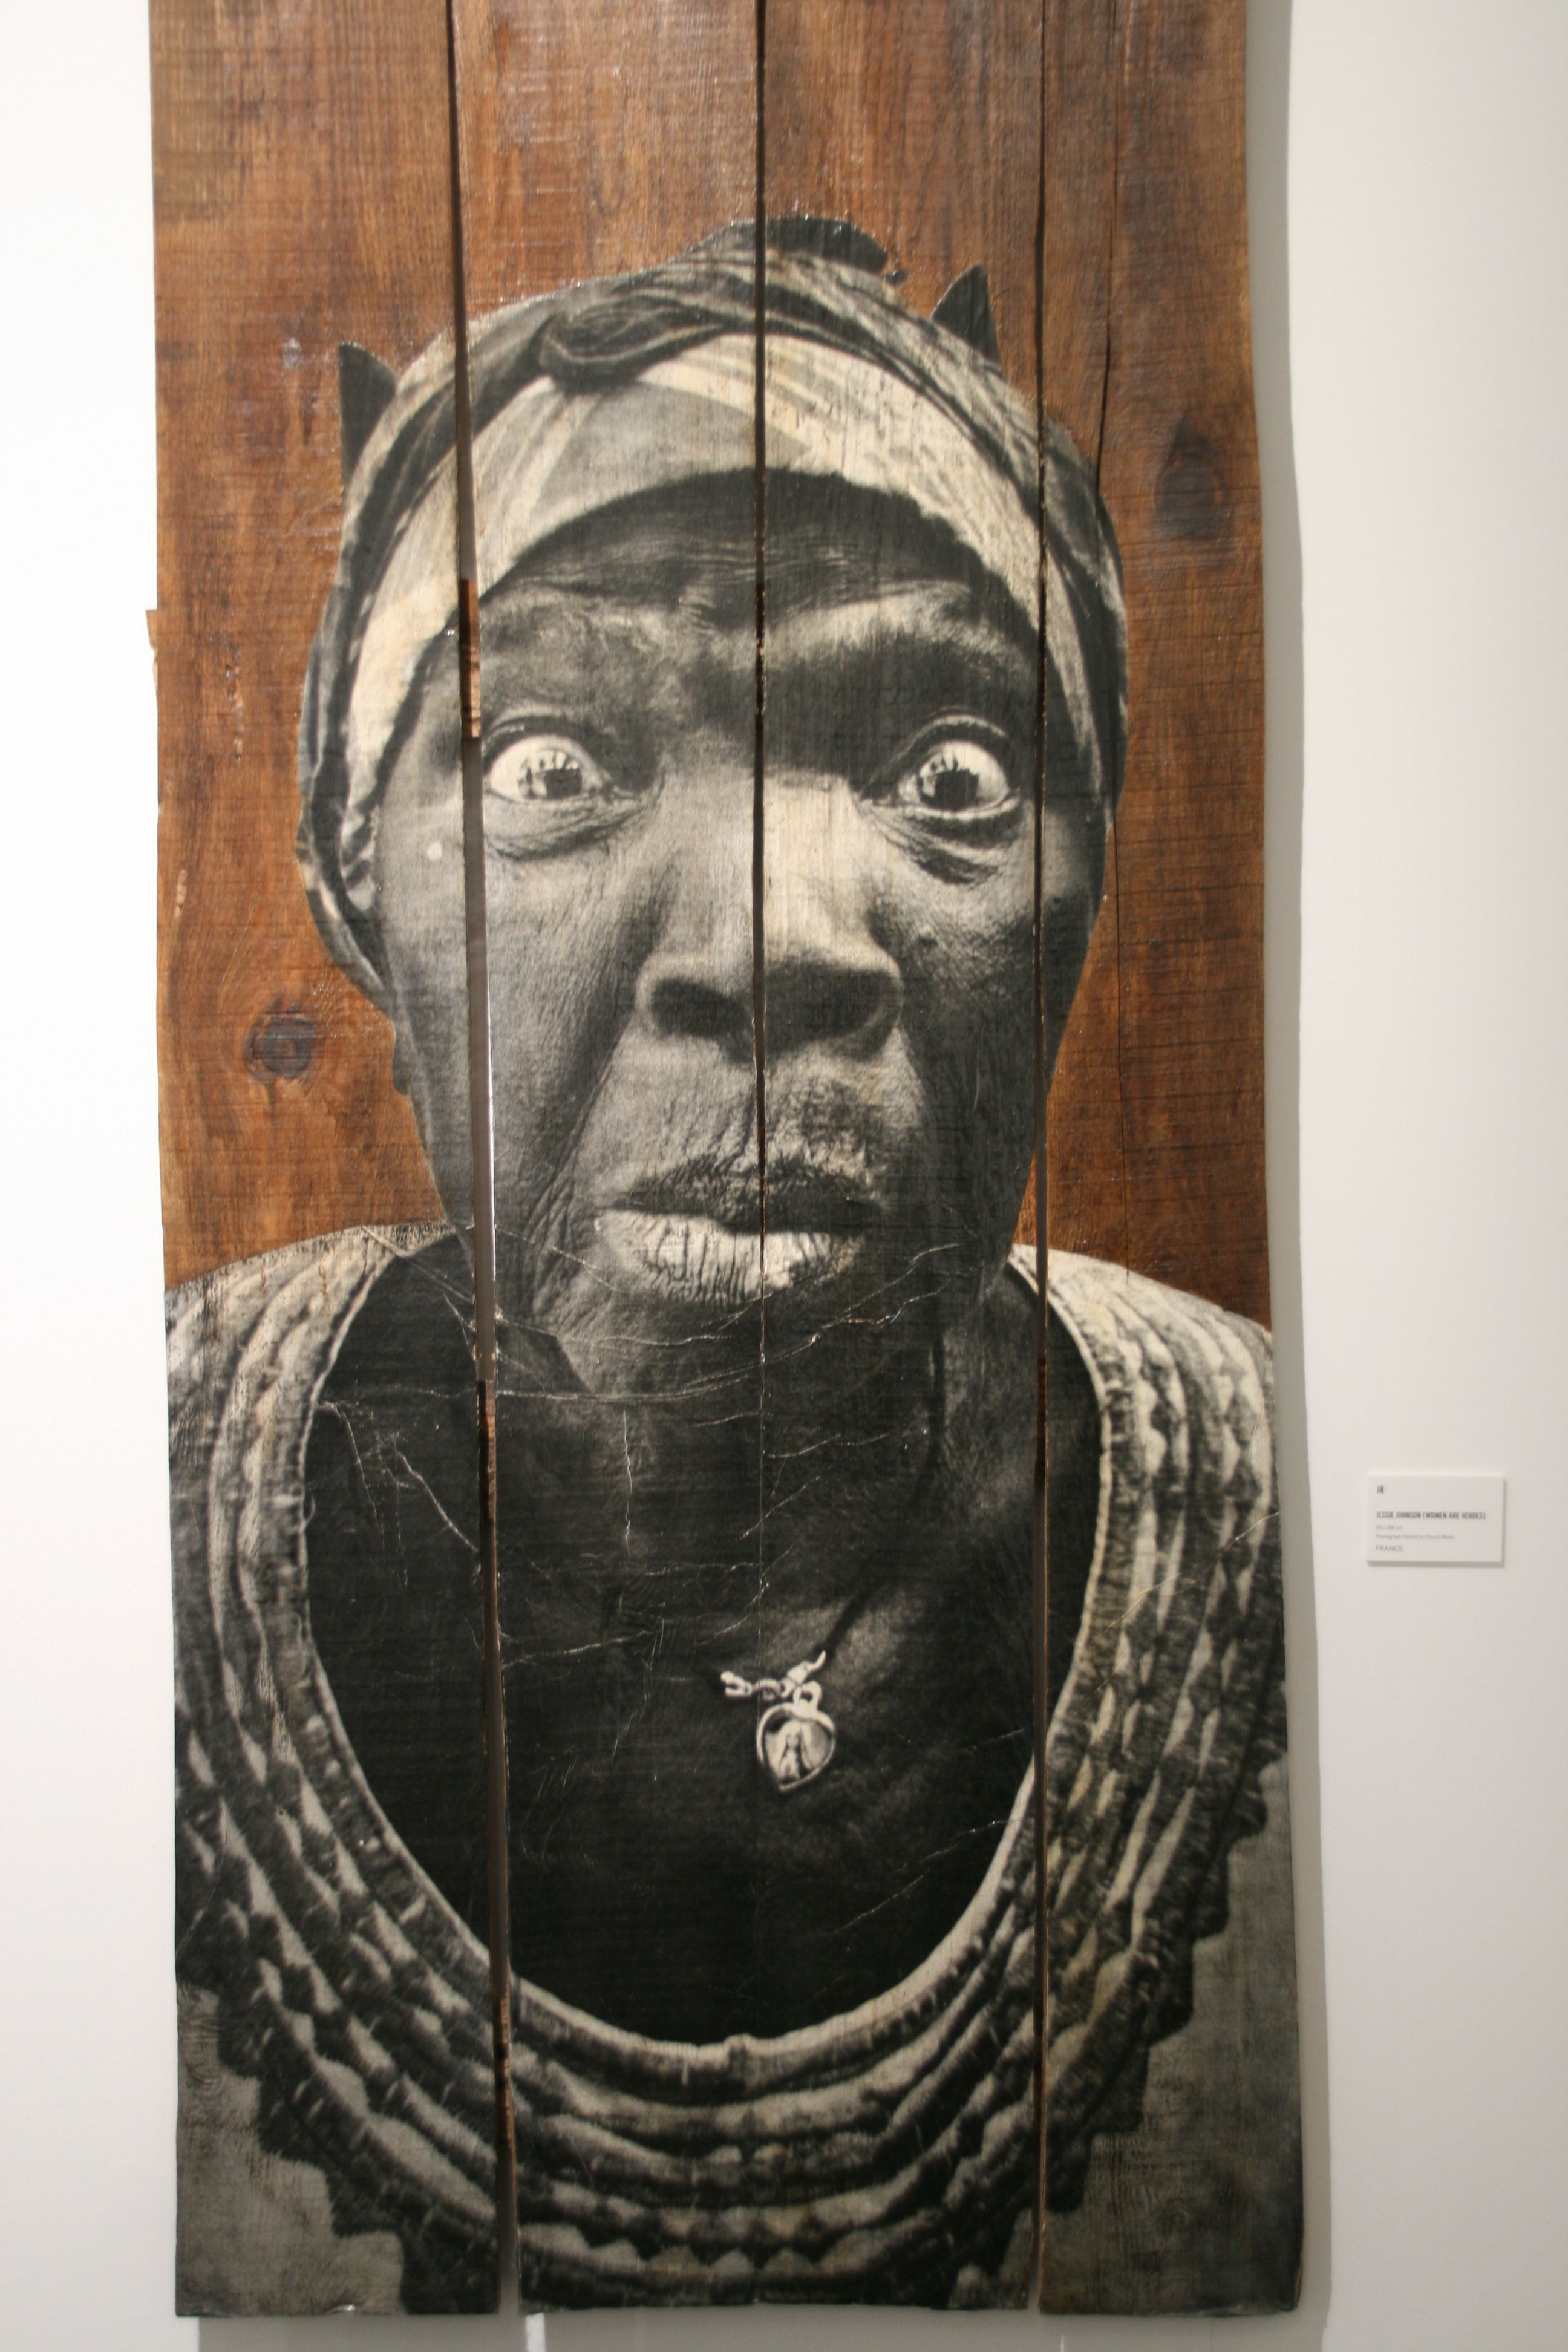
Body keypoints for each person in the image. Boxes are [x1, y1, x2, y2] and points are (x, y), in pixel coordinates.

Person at [169, 221, 1299, 2316]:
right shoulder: (140, 1474)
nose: (775, 942)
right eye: (550, 767)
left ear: (1083, 884)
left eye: (950, 775)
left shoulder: (1257, 1485)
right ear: (351, 878)